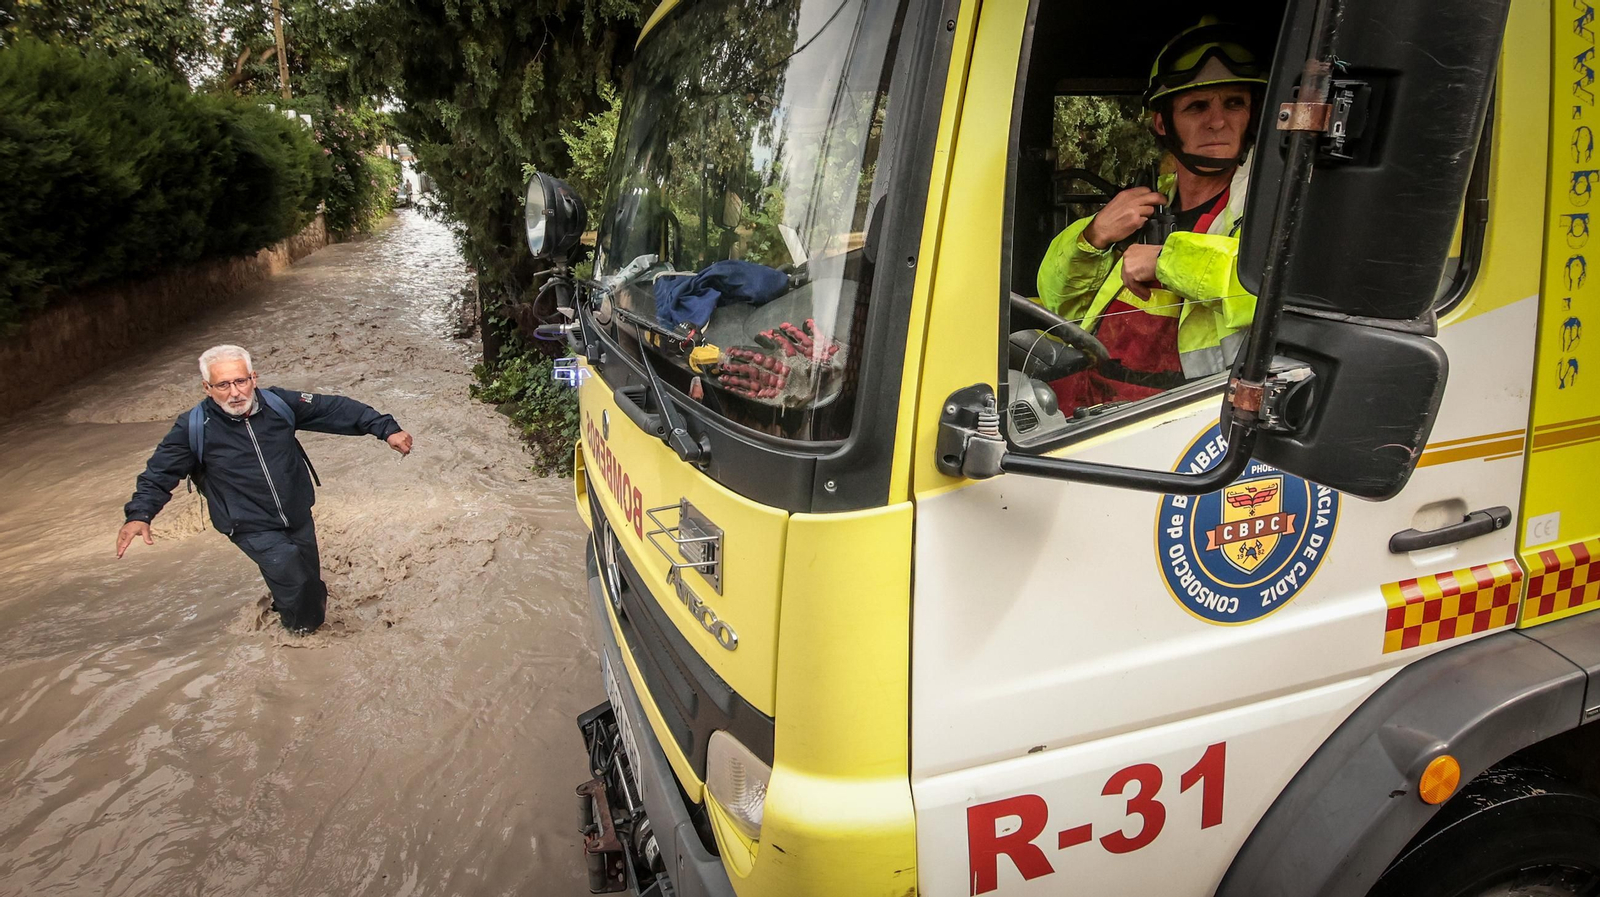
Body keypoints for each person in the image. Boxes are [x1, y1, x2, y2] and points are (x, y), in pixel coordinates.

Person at [1036, 19, 1266, 414]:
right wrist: (1094, 236)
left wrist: (1165, 261)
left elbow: (1278, 290)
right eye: (1197, 106)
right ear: (1163, 122)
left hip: (1195, 421)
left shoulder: (1269, 207)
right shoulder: (1142, 208)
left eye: (1234, 103)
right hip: (1098, 413)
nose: (1217, 121)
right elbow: (1060, 309)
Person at [116, 344, 413, 634]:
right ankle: (303, 639)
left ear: (253, 378)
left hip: (297, 514)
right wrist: (140, 514)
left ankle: (287, 609)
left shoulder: (278, 404)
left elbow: (334, 408)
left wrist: (385, 429)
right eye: (222, 385)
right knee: (298, 583)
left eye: (240, 381)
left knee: (307, 578)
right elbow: (159, 472)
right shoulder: (193, 427)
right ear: (207, 388)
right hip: (248, 525)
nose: (234, 393)